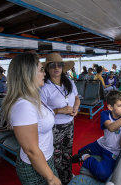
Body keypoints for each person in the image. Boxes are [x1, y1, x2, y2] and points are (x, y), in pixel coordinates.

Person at [2, 53, 61, 185]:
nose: (44, 73)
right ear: (28, 74)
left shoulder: (31, 97)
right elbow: (31, 150)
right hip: (35, 167)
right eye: (41, 69)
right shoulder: (23, 105)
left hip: (44, 160)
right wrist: (51, 178)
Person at [71, 91, 121, 182]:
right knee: (80, 150)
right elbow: (111, 127)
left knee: (103, 175)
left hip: (112, 151)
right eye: (119, 105)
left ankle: (86, 158)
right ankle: (84, 155)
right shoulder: (105, 114)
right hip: (101, 144)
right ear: (110, 107)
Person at [41, 53, 80, 185]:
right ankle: (58, 180)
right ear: (47, 69)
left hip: (69, 123)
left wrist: (75, 109)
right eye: (52, 65)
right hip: (54, 128)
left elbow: (76, 98)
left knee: (68, 152)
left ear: (63, 67)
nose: (56, 67)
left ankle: (68, 177)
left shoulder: (69, 82)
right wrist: (59, 111)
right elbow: (40, 113)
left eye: (59, 65)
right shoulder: (44, 88)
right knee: (56, 157)